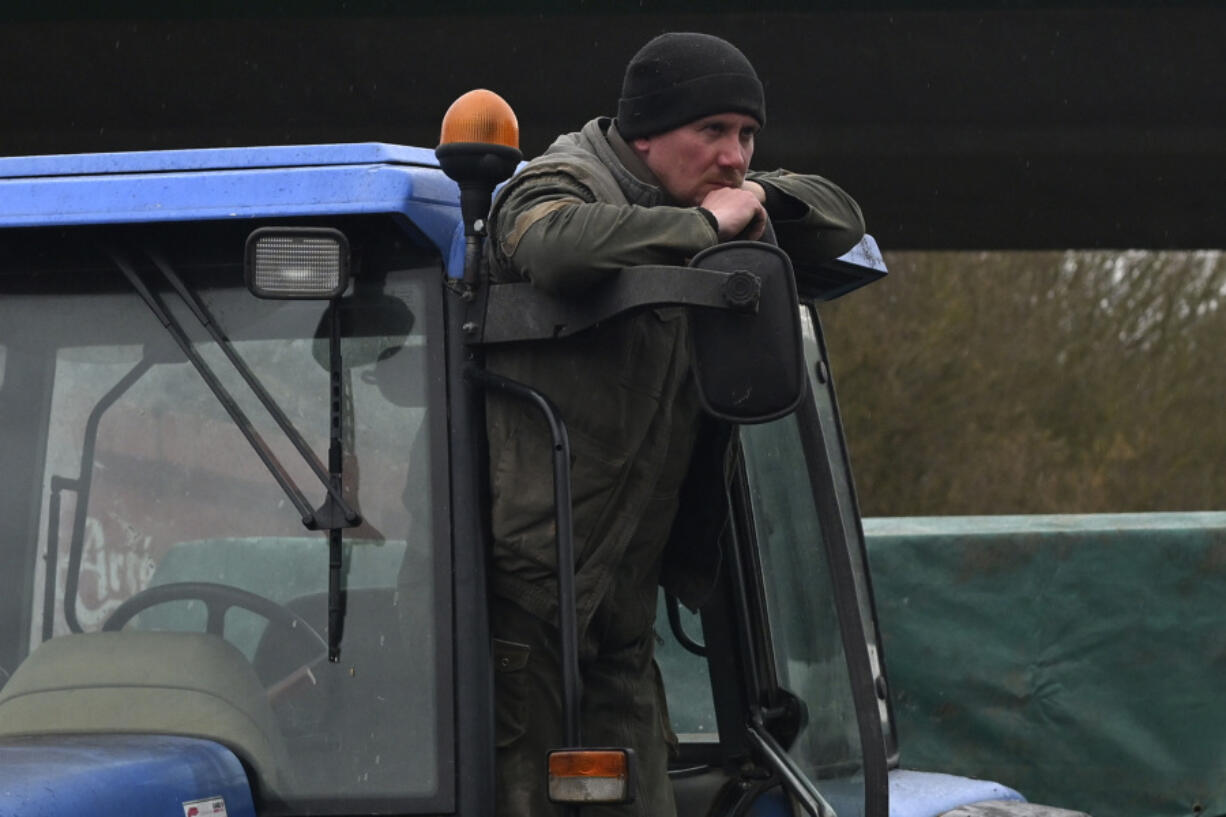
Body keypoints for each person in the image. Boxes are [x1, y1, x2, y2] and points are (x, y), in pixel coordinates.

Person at [482, 32, 865, 817]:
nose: (734, 155)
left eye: (747, 135)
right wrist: (707, 231)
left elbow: (842, 220)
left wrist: (761, 203)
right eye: (714, 132)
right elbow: (551, 246)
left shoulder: (714, 199)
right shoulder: (564, 179)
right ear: (646, 132)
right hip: (516, 618)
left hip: (618, 617)